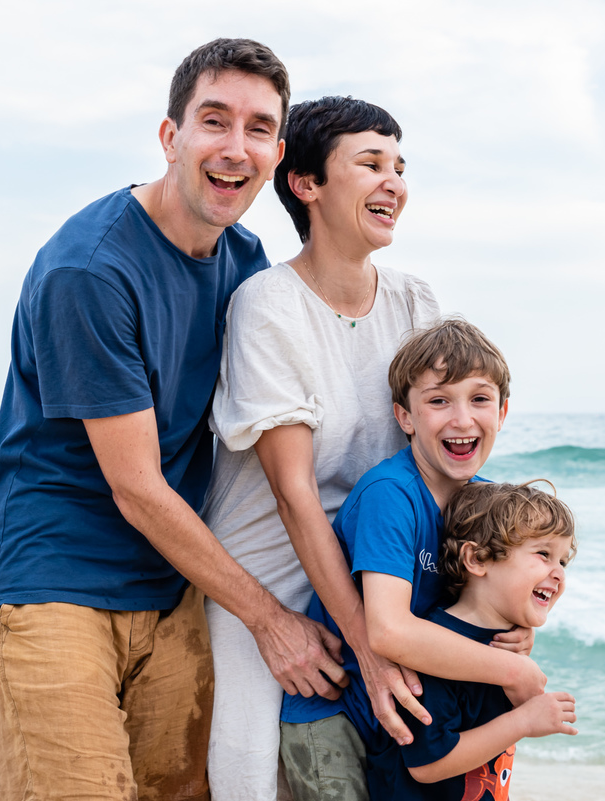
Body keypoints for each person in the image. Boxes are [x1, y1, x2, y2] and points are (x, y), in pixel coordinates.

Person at [0, 39, 346, 801]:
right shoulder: (92, 269)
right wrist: (270, 620)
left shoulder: (244, 262)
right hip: (55, 580)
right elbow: (138, 487)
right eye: (215, 121)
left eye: (257, 129)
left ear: (277, 153)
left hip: (170, 585)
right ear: (171, 136)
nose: (234, 147)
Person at [200, 95, 441, 801]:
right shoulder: (268, 304)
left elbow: (443, 458)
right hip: (270, 576)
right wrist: (367, 648)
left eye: (399, 166)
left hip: (378, 571)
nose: (394, 181)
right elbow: (294, 492)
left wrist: (491, 605)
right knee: (249, 775)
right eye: (370, 163)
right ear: (306, 184)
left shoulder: (415, 302)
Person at [278, 318, 554, 800]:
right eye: (439, 400)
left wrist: (519, 628)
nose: (463, 419)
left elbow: (504, 590)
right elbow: (389, 630)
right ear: (405, 417)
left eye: (480, 399)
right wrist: (514, 672)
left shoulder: (489, 506)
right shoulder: (393, 495)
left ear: (503, 412)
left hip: (415, 723)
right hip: (339, 714)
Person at [374, 481, 579, 800]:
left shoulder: (506, 645)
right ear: (478, 559)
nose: (559, 574)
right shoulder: (435, 650)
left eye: (563, 562)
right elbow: (426, 765)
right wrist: (523, 722)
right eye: (543, 554)